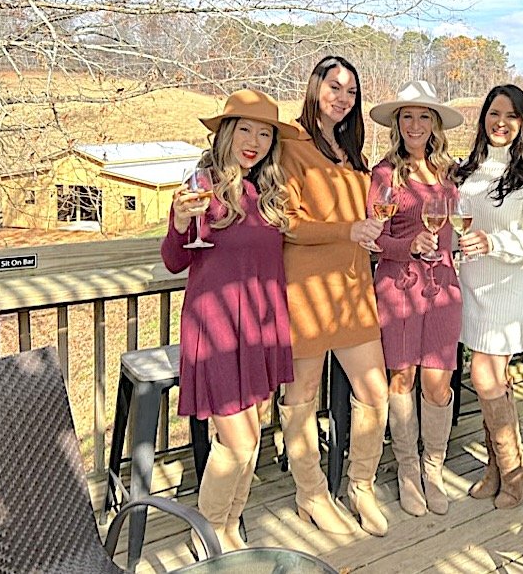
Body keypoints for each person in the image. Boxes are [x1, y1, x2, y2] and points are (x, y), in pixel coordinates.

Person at [160, 89, 297, 556]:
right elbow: (174, 260)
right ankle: (206, 531)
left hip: (260, 324)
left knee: (254, 432)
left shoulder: (268, 192)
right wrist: (179, 220)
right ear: (225, 132)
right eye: (245, 129)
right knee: (236, 441)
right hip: (217, 328)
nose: (254, 141)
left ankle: (232, 522)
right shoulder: (204, 186)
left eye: (264, 133)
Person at [278, 55, 390, 537]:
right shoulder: (289, 143)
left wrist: (367, 233)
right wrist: (349, 228)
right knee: (301, 398)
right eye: (334, 87)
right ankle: (312, 494)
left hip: (352, 290)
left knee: (375, 393)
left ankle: (359, 485)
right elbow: (286, 221)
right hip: (306, 290)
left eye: (351, 92)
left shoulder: (351, 151)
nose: (343, 98)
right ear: (315, 88)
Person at [455, 84, 523, 509]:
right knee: (493, 378)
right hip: (472, 283)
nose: (502, 122)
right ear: (483, 118)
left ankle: (512, 471)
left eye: (512, 116)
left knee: (483, 373)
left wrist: (492, 243)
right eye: (495, 113)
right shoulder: (465, 171)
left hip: (511, 283)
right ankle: (498, 468)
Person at [367, 81, 464, 517]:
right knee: (402, 378)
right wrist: (408, 247)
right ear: (397, 123)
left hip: (443, 284)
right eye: (407, 116)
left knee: (438, 382)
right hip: (399, 286)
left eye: (424, 116)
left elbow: (456, 227)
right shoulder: (385, 174)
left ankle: (434, 468)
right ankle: (407, 469)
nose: (415, 124)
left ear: (436, 124)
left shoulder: (448, 174)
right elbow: (374, 238)